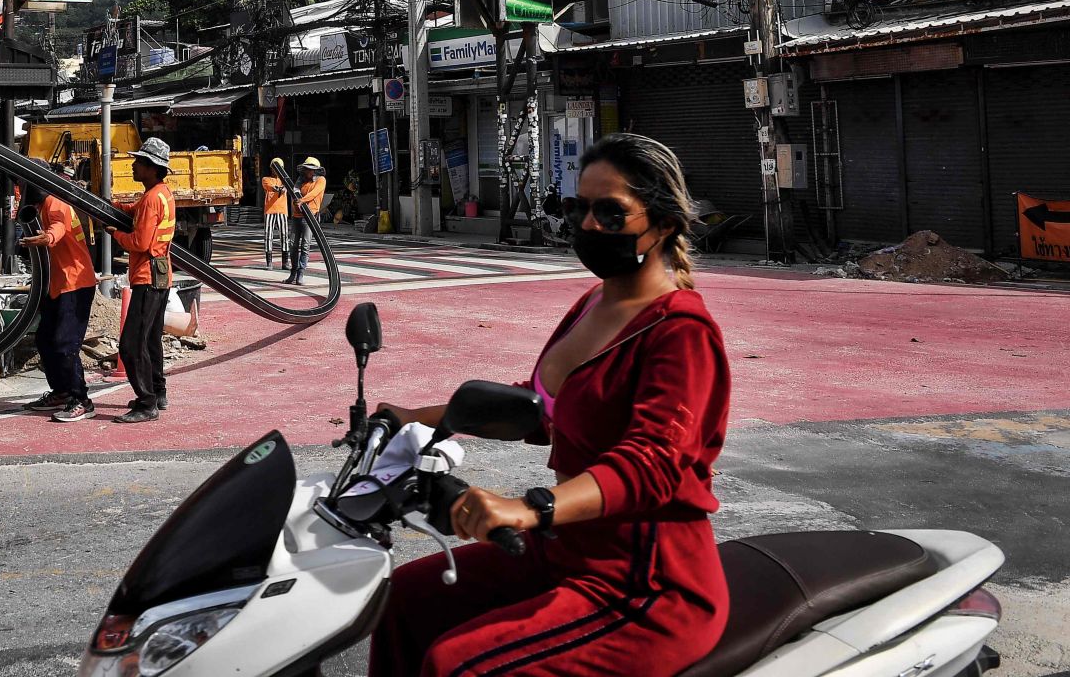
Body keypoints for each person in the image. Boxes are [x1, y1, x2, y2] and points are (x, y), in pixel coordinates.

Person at [369, 133, 731, 677]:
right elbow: (538, 408)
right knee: (401, 602)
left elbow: (653, 464)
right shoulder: (592, 304)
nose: (588, 226)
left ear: (663, 224)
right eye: (577, 208)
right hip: (563, 550)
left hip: (645, 579)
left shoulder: (681, 331)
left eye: (611, 213)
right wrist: (411, 420)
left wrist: (531, 507)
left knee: (458, 666)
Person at [17, 171, 100, 422]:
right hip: (59, 284)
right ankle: (62, 391)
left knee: (65, 344)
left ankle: (81, 399)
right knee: (45, 339)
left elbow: (59, 226)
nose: (19, 191)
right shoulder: (42, 204)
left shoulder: (55, 202)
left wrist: (47, 238)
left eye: (22, 183)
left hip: (75, 284)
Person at [105, 136, 176, 423]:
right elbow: (141, 215)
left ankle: (147, 404)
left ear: (151, 168)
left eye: (139, 163)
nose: (133, 166)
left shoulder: (150, 199)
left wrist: (115, 233)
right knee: (151, 340)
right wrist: (120, 208)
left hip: (147, 277)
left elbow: (140, 242)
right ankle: (158, 391)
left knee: (132, 345)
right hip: (161, 275)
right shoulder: (162, 194)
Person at [287, 157, 326, 284]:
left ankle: (300, 273)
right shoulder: (301, 179)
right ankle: (293, 272)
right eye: (306, 169)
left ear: (315, 171)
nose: (307, 172)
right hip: (297, 216)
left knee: (305, 245)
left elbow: (315, 193)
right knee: (293, 244)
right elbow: (295, 191)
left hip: (309, 216)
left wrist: (302, 200)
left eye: (310, 170)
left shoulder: (321, 180)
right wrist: (296, 200)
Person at [260, 157, 290, 271]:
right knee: (268, 236)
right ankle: (269, 262)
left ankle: (285, 262)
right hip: (270, 211)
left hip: (282, 210)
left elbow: (287, 188)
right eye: (275, 168)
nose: (277, 171)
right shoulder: (266, 179)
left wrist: (283, 188)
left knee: (284, 235)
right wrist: (277, 189)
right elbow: (269, 187)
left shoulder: (285, 180)